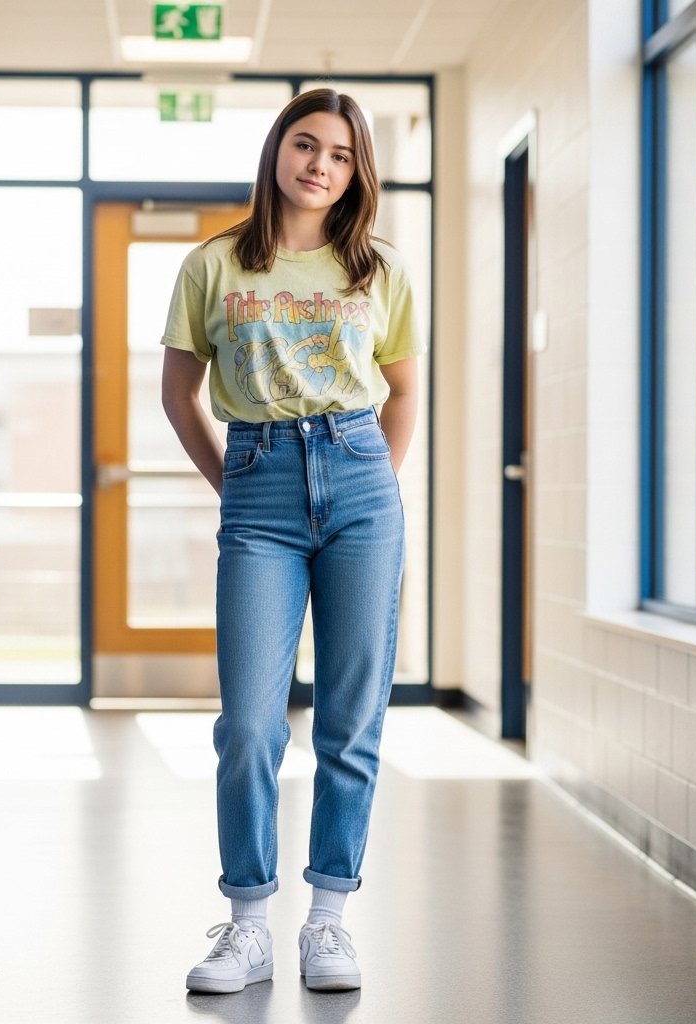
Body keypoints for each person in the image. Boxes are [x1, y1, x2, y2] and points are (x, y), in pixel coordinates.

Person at [160, 87, 425, 995]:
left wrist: (373, 487)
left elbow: (402, 394)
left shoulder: (379, 271)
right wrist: (234, 485)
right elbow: (178, 392)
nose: (320, 164)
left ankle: (328, 923)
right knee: (248, 724)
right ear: (278, 151)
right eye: (306, 144)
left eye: (341, 154)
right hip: (260, 484)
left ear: (358, 172)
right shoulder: (214, 266)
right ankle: (246, 925)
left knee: (351, 720)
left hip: (359, 481)